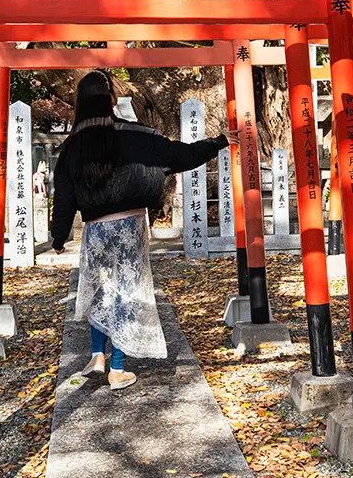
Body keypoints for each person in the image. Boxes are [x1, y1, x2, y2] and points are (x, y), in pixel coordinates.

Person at [51, 72, 233, 390]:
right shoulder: (137, 136)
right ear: (110, 99)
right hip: (130, 225)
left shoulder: (72, 147)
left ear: (80, 103)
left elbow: (64, 197)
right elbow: (181, 155)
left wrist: (58, 236)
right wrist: (218, 142)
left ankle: (96, 354)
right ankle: (117, 368)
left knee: (101, 289)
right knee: (127, 291)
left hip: (95, 229)